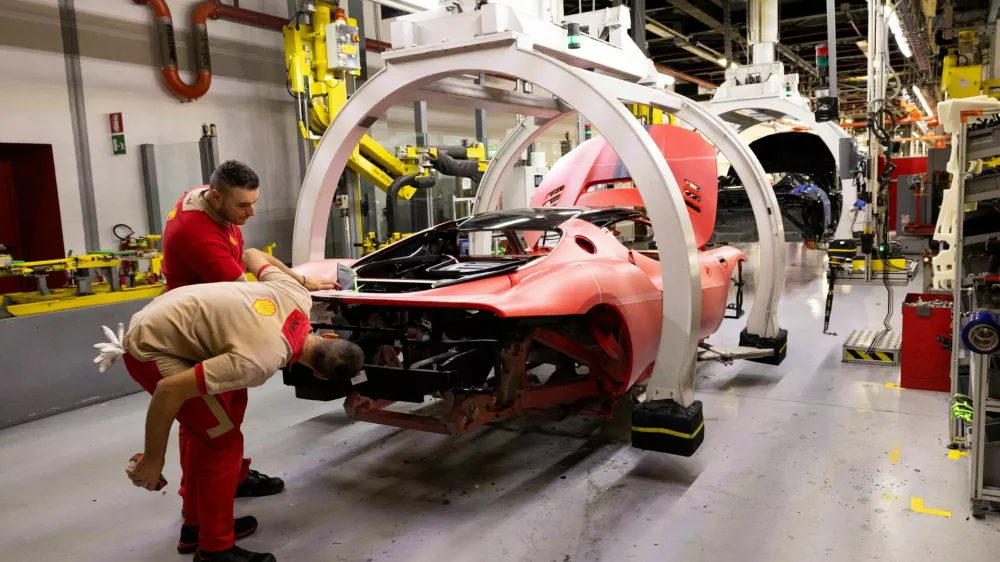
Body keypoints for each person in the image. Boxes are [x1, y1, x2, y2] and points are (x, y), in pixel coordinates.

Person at [95, 249, 364, 562]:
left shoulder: (296, 295)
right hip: (151, 351)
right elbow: (168, 391)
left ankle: (197, 527)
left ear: (328, 335)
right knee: (223, 442)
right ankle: (215, 550)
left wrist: (302, 279)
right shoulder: (260, 360)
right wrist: (153, 460)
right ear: (319, 374)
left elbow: (252, 254)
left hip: (163, 318)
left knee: (208, 432)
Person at [159, 160, 340, 553]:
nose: (252, 212)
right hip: (198, 340)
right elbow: (252, 301)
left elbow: (249, 254)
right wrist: (298, 318)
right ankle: (199, 527)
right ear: (216, 197)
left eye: (254, 202)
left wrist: (301, 281)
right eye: (243, 205)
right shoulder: (199, 237)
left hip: (211, 325)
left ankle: (229, 484)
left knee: (222, 422)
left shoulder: (207, 201)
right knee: (213, 436)